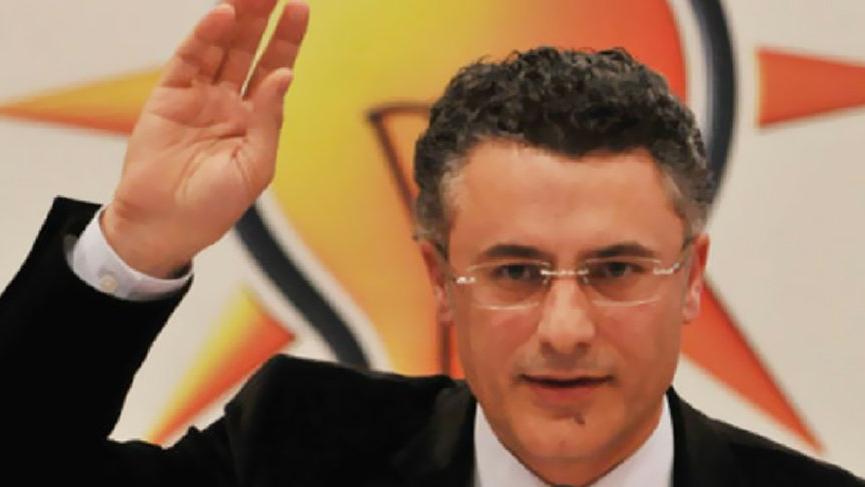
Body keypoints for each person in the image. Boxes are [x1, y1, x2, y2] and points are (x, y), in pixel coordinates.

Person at [0, 1, 862, 485]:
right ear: (441, 279)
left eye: (615, 269)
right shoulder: (298, 451)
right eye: (515, 270)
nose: (565, 327)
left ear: (691, 278)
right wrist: (138, 242)